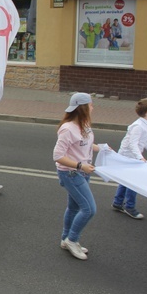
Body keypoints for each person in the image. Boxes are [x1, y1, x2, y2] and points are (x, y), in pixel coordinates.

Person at [53, 93, 102, 261]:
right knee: (89, 209)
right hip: (71, 173)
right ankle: (72, 240)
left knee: (74, 208)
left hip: (82, 172)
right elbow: (58, 156)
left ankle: (65, 239)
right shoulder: (68, 129)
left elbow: (86, 144)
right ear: (83, 108)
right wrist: (81, 165)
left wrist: (101, 149)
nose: (93, 107)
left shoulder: (85, 124)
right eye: (91, 104)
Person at [111, 99, 147, 220]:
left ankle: (118, 202)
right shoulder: (138, 126)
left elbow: (145, 141)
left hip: (134, 156)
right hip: (127, 157)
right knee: (133, 182)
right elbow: (132, 144)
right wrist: (140, 157)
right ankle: (129, 206)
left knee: (126, 180)